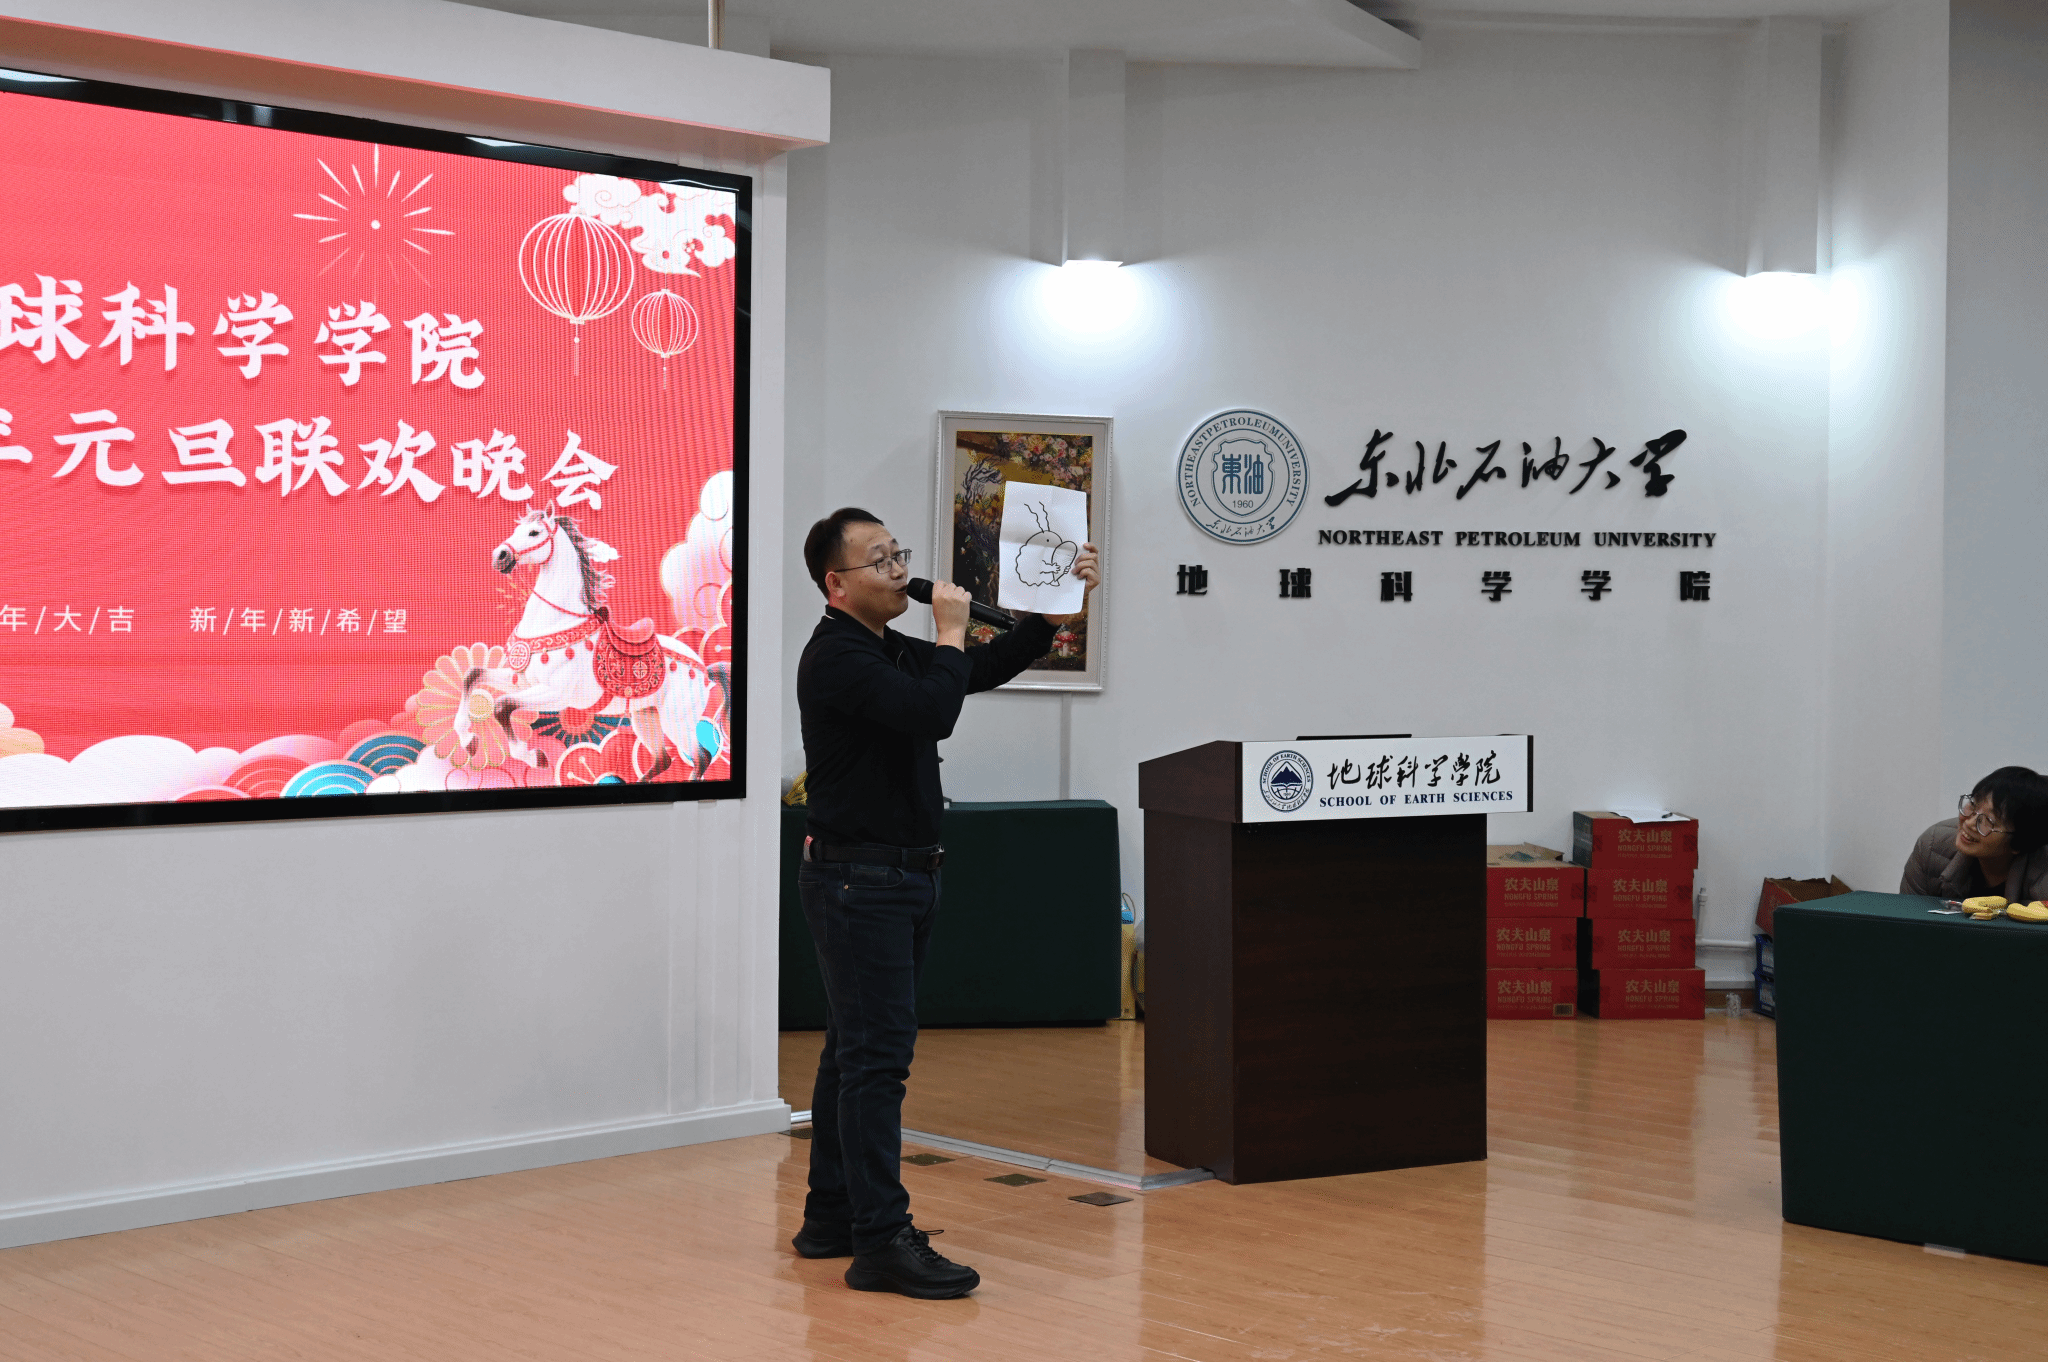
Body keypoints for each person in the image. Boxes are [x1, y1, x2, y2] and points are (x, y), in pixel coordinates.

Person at [792, 506, 1099, 1299]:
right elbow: (935, 709)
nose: (900, 569)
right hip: (861, 881)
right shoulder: (835, 657)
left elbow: (971, 674)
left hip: (896, 878)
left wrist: (1047, 618)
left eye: (898, 553)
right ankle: (879, 1241)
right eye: (879, 560)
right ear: (836, 584)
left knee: (854, 1052)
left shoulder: (881, 645)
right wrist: (953, 631)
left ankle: (832, 1215)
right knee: (876, 1061)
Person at [1900, 766, 2048, 902]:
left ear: (2020, 843)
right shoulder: (1932, 845)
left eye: (1989, 820)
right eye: (1973, 804)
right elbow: (1907, 915)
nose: (1969, 823)